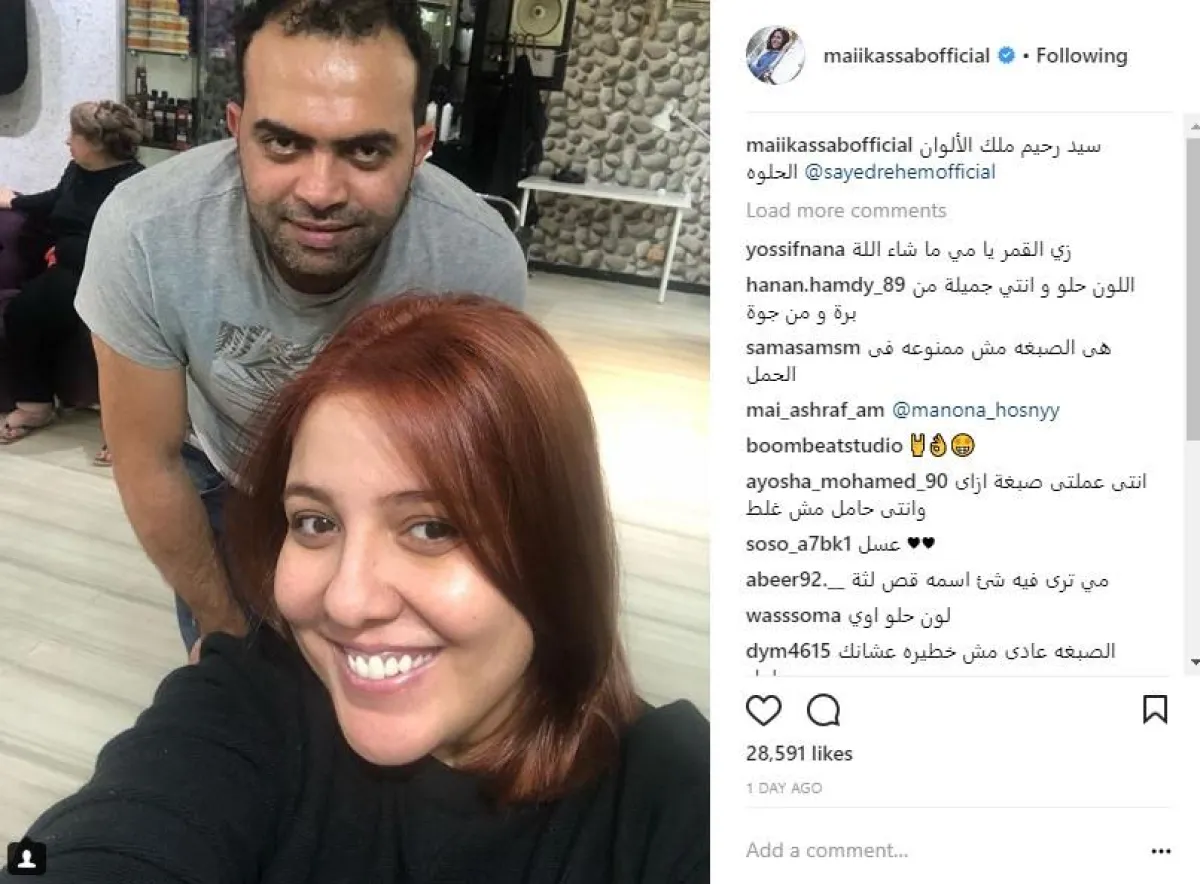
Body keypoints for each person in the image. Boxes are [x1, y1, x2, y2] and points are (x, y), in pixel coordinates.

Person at [8, 293, 710, 882]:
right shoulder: (249, 701)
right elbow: (71, 851)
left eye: (432, 528)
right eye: (315, 522)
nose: (347, 601)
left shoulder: (681, 799)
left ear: (555, 546)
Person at [75, 0, 528, 659]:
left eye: (366, 150)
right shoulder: (146, 231)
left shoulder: (476, 261)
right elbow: (148, 460)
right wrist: (223, 633)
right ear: (236, 132)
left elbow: (473, 475)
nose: (320, 191)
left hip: (394, 488)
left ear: (420, 149)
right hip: (223, 469)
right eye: (284, 143)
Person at [0, 100, 143, 460]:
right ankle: (35, 405)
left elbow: (134, 242)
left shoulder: (134, 183)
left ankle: (127, 431)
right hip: (69, 272)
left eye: (74, 135)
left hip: (113, 276)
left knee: (113, 334)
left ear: (96, 143)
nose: (67, 141)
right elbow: (55, 200)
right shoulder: (77, 169)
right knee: (23, 310)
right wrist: (15, 201)